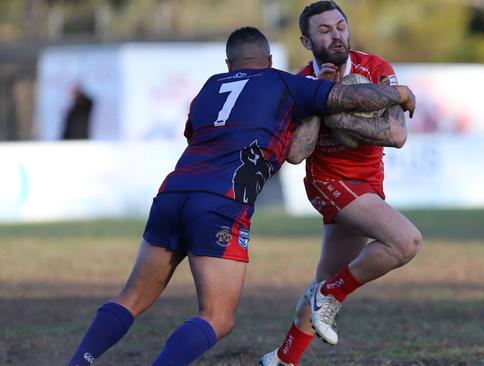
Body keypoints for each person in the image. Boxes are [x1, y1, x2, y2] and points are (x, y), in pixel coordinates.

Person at [66, 26, 415, 366]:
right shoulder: (285, 83)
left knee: (131, 298)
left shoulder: (209, 88)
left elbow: (195, 135)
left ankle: (78, 361)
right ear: (269, 59)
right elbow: (352, 98)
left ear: (229, 64)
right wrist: (399, 94)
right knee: (218, 317)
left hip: (173, 193)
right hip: (222, 202)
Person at [260, 2, 422, 365]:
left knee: (325, 278)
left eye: (340, 26)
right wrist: (320, 97)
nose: (336, 35)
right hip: (328, 181)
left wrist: (337, 115)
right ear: (306, 40)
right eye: (324, 30)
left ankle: (283, 359)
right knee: (406, 241)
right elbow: (298, 153)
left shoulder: (376, 68)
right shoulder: (298, 84)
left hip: (368, 183)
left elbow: (396, 135)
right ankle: (330, 296)